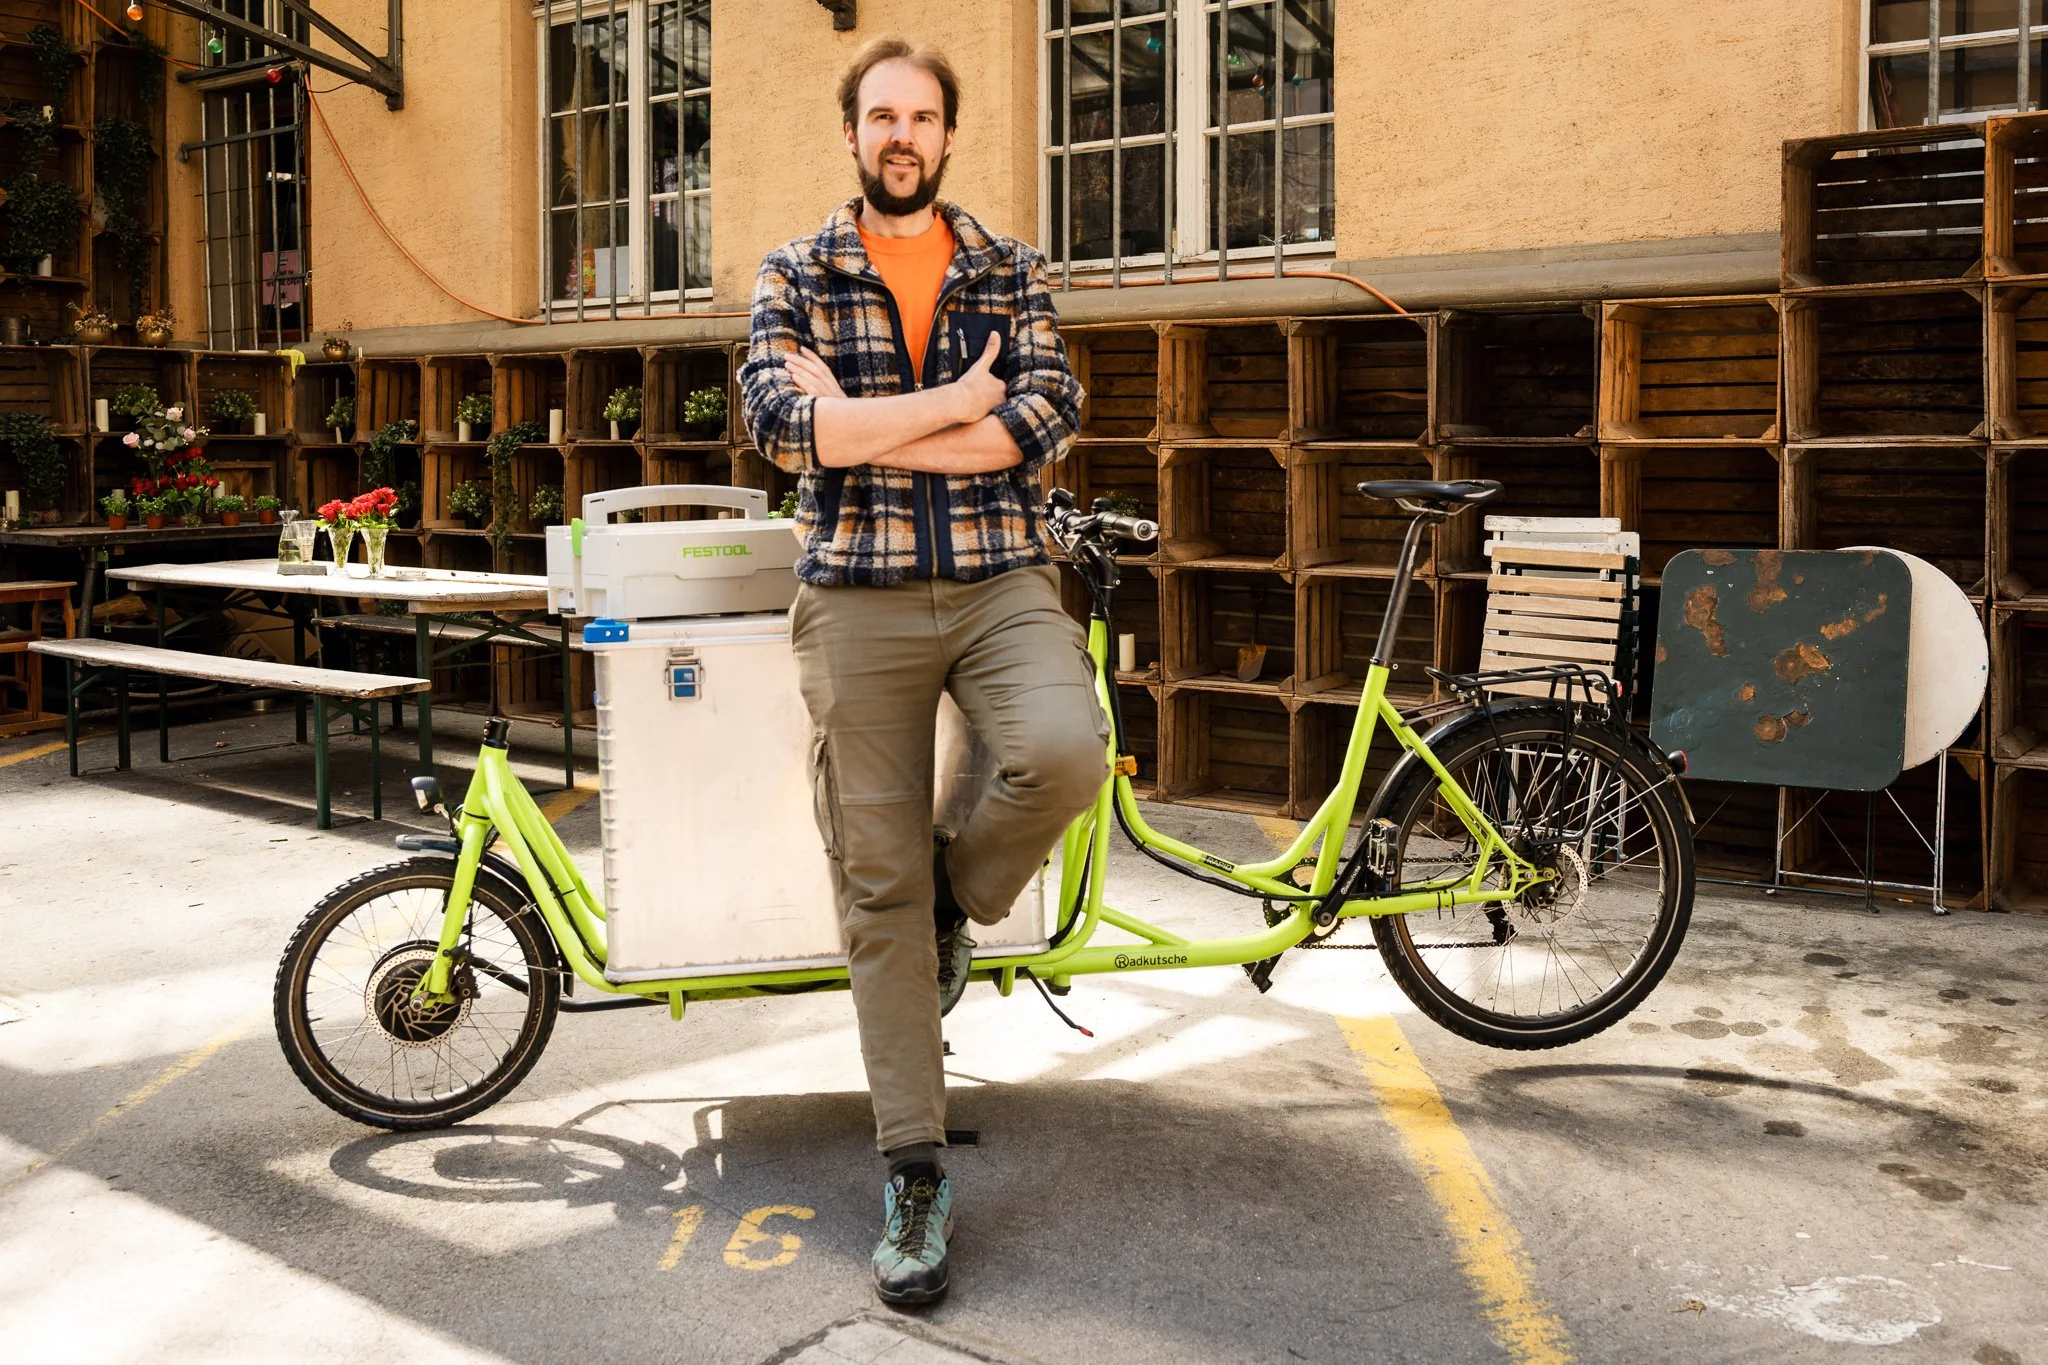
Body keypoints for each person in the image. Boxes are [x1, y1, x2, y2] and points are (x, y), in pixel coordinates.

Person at [739, 36, 1103, 1307]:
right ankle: (913, 1170)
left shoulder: (1008, 267)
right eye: (881, 115)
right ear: (851, 133)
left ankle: (959, 896)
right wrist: (955, 403)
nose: (901, 135)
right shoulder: (795, 271)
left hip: (1000, 576)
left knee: (1064, 754)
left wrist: (866, 429)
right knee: (873, 884)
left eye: (922, 116)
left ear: (948, 135)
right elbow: (781, 427)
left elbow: (1043, 418)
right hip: (856, 594)